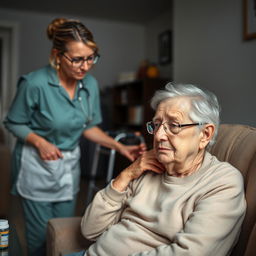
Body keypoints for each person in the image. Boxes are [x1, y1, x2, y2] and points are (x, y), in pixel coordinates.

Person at [3, 18, 145, 256]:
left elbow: (88, 127)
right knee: (39, 237)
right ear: (57, 55)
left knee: (64, 231)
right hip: (37, 164)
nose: (86, 66)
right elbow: (13, 122)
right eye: (77, 59)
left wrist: (118, 146)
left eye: (91, 58)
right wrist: (40, 142)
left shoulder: (89, 84)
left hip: (68, 167)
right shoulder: (35, 83)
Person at [72, 83, 246, 256]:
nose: (159, 135)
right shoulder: (147, 166)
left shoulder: (222, 183)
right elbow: (90, 230)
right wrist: (126, 175)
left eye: (174, 125)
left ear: (205, 135)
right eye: (157, 124)